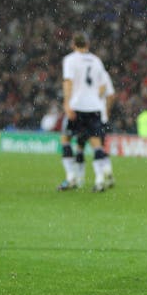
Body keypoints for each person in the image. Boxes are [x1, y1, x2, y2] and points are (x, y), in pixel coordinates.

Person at [57, 32, 111, 193]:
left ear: (73, 44)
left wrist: (67, 103)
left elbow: (68, 82)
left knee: (66, 139)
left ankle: (71, 177)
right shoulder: (96, 60)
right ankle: (100, 180)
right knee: (97, 144)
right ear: (87, 44)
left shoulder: (70, 60)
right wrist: (94, 97)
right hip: (94, 107)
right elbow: (103, 86)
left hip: (77, 106)